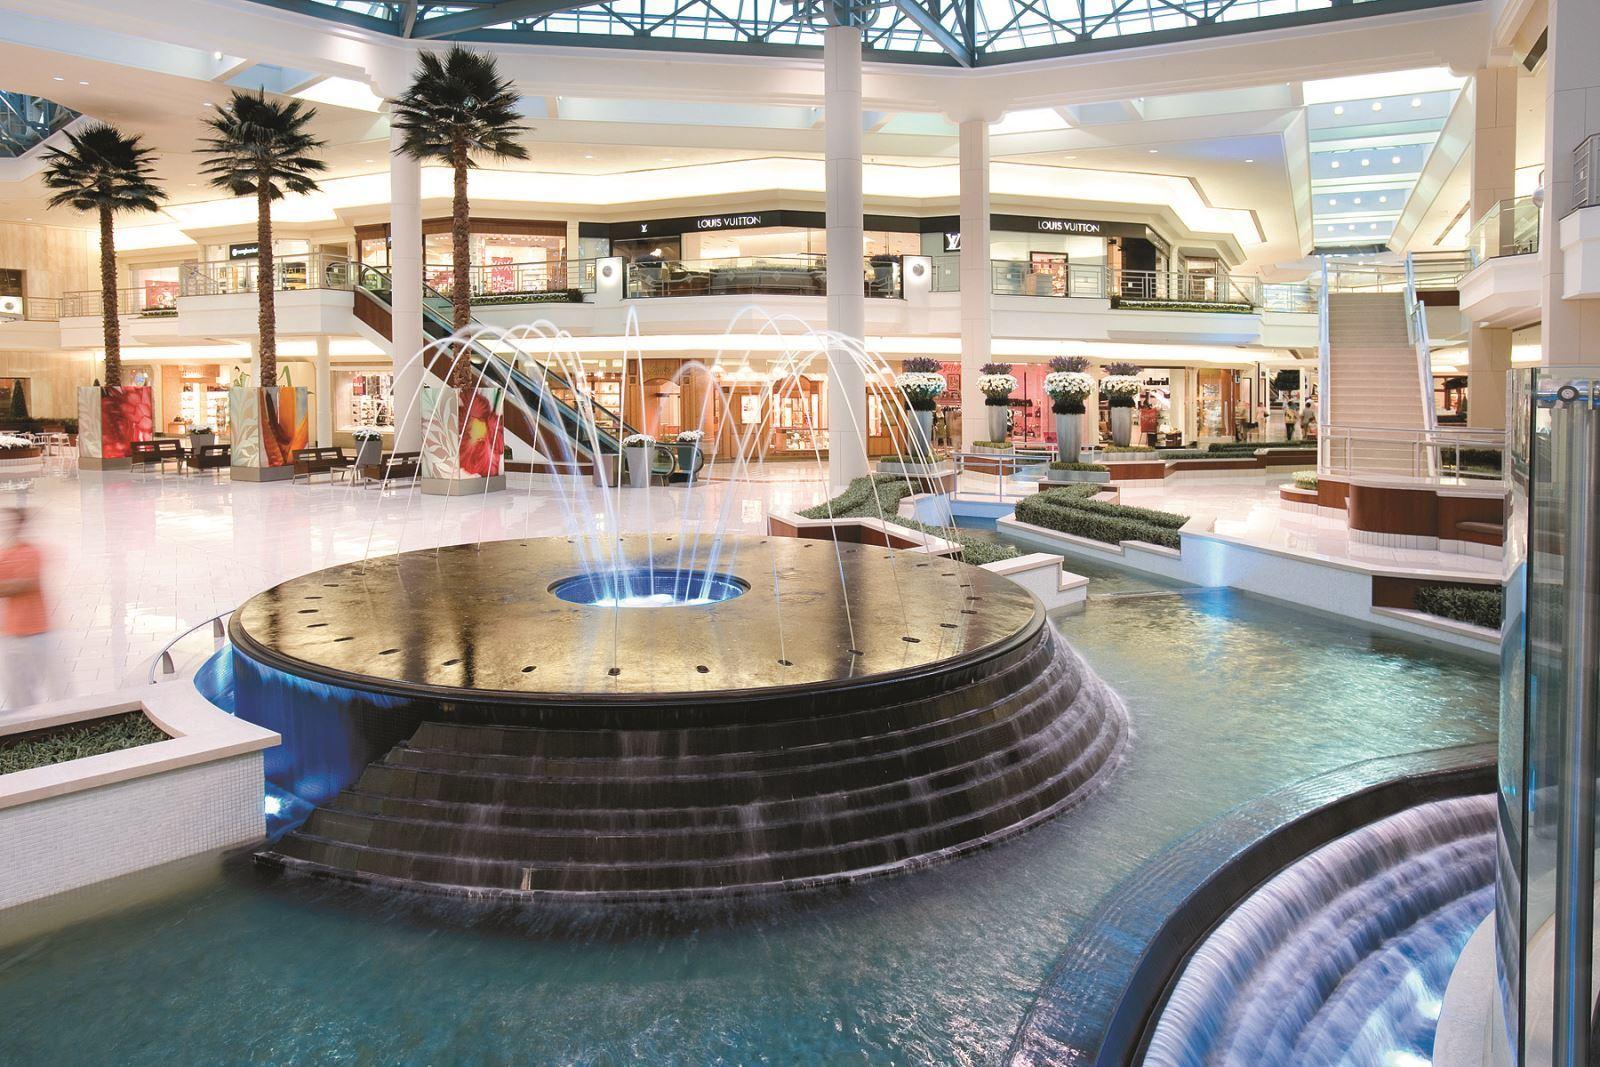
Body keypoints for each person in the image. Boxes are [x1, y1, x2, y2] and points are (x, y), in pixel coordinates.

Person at [0, 508, 51, 708]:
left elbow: (25, 584)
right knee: (16, 692)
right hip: (12, 634)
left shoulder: (31, 552)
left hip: (36, 634)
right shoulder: (6, 554)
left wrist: (9, 585)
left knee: (28, 690)